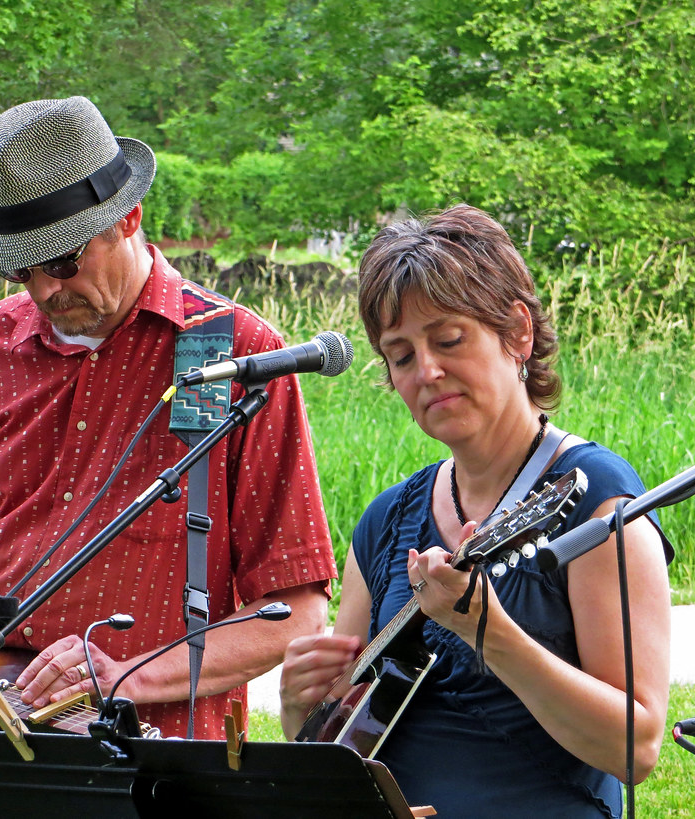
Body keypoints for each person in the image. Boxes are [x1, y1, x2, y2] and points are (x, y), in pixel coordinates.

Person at [0, 96, 336, 749]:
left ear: (129, 220)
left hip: (147, 755)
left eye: (63, 261)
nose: (42, 291)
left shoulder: (235, 354)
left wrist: (126, 675)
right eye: (20, 268)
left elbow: (297, 615)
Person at [279, 204, 672, 817]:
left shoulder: (596, 499)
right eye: (401, 355)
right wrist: (301, 706)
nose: (427, 371)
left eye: (448, 339)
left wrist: (492, 634)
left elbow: (636, 748)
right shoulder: (386, 523)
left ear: (518, 333)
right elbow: (341, 746)